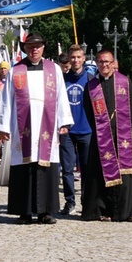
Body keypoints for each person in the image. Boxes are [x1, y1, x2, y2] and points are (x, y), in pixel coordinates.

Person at [0, 33, 74, 224]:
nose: (34, 49)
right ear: (25, 48)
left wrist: (64, 121)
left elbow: (61, 96)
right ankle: (24, 211)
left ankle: (46, 211)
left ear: (43, 48)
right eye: (30, 46)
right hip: (22, 126)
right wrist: (4, 126)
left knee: (46, 166)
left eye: (37, 46)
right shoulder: (16, 71)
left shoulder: (53, 69)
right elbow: (6, 100)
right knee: (24, 167)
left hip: (48, 124)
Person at [81, 50, 132, 222]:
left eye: (107, 62)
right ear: (97, 63)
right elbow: (88, 110)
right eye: (101, 62)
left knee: (126, 173)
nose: (104, 65)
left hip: (122, 135)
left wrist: (122, 127)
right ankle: (102, 210)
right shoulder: (91, 85)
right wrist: (101, 128)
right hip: (101, 136)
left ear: (113, 63)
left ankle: (128, 210)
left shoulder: (125, 82)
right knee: (99, 174)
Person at [58, 44, 93, 216]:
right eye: (73, 57)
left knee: (86, 169)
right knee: (67, 169)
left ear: (84, 58)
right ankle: (69, 201)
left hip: (86, 130)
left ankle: (86, 201)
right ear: (69, 59)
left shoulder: (91, 79)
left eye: (79, 57)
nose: (76, 60)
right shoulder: (62, 80)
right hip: (68, 131)